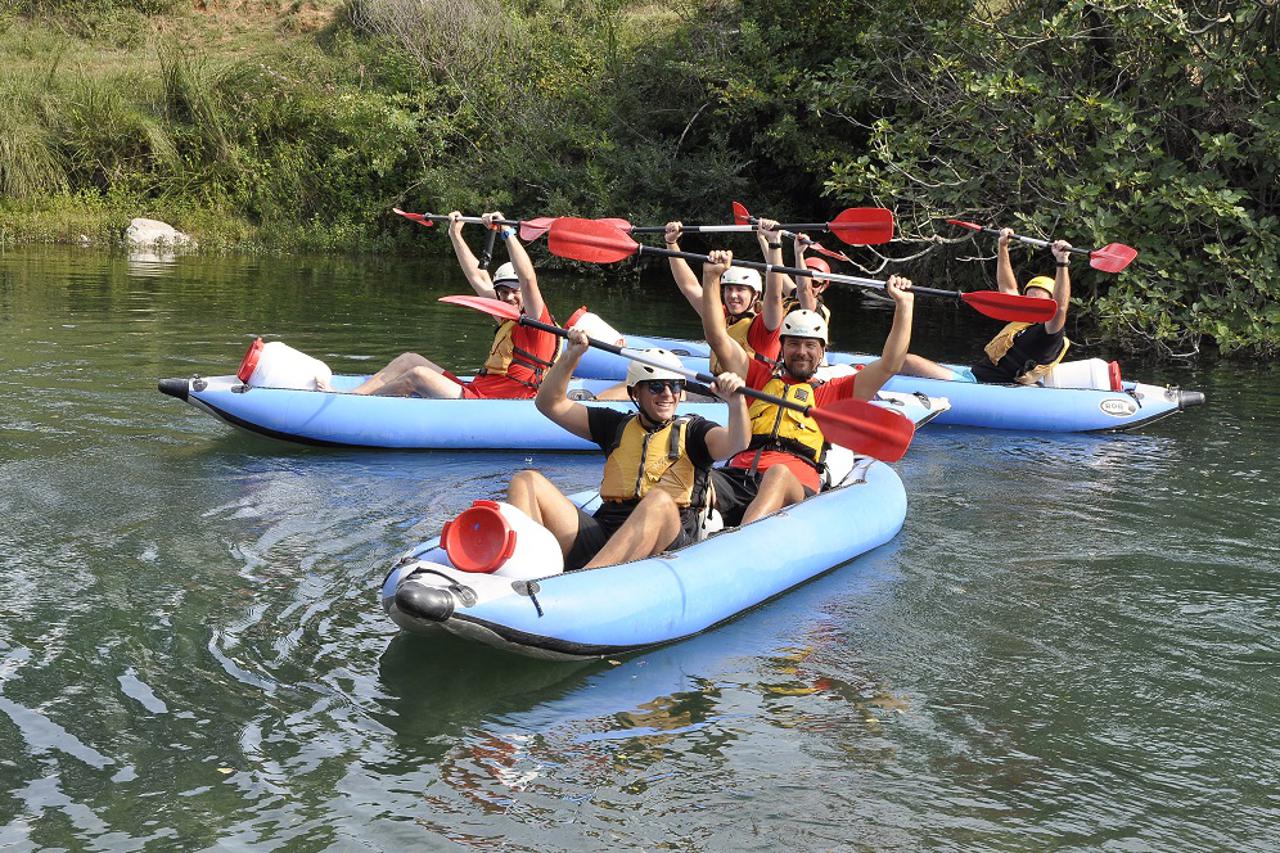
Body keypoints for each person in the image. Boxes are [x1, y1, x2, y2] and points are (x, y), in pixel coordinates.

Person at [701, 248, 916, 527]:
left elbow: (890, 364)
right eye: (793, 343)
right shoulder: (758, 377)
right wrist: (711, 278)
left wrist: (904, 306)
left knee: (776, 475)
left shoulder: (833, 393)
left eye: (809, 345)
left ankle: (738, 540)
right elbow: (717, 337)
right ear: (782, 348)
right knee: (695, 480)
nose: (801, 351)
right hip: (738, 476)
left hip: (793, 484)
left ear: (822, 351)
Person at [505, 329, 750, 570]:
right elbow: (549, 403)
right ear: (635, 392)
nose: (667, 394)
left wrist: (736, 402)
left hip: (668, 542)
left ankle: (588, 580)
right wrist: (572, 357)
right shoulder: (614, 425)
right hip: (607, 532)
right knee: (526, 480)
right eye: (656, 387)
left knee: (659, 500)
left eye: (674, 386)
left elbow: (737, 443)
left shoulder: (696, 431)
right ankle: (527, 570)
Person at [334, 211, 558, 398]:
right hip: (475, 390)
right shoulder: (506, 316)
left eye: (514, 292)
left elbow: (528, 280)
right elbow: (479, 279)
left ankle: (362, 406)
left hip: (492, 402)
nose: (508, 298)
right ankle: (354, 395)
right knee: (409, 359)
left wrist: (507, 233)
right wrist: (455, 234)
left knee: (418, 375)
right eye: (503, 292)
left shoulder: (538, 321)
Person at [899, 228, 1073, 385]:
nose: (1029, 301)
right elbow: (1008, 289)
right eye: (1028, 296)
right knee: (906, 361)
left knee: (907, 361)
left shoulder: (1050, 334)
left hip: (983, 386)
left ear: (1050, 303)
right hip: (973, 376)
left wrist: (1062, 261)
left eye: (1038, 300)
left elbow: (1061, 309)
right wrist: (1003, 246)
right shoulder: (1024, 319)